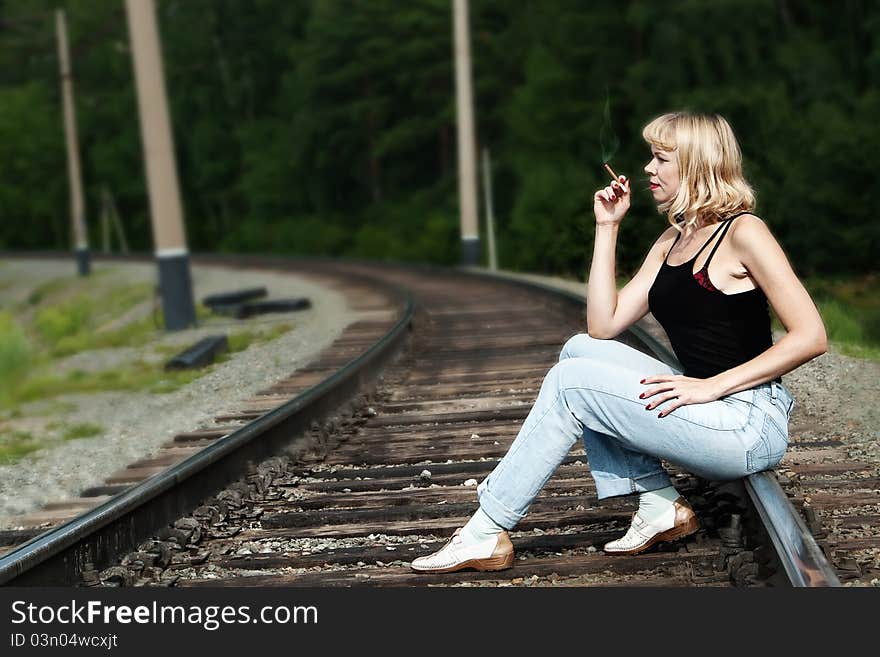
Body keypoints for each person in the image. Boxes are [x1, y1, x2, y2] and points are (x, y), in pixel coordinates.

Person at [411, 111, 827, 573]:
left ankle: (486, 529)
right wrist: (607, 227)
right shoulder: (672, 239)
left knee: (573, 384)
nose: (648, 168)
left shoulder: (745, 232)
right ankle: (656, 503)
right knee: (579, 351)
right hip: (708, 409)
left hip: (748, 421)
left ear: (695, 164)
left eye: (660, 158)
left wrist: (712, 385)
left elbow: (811, 335)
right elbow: (602, 326)